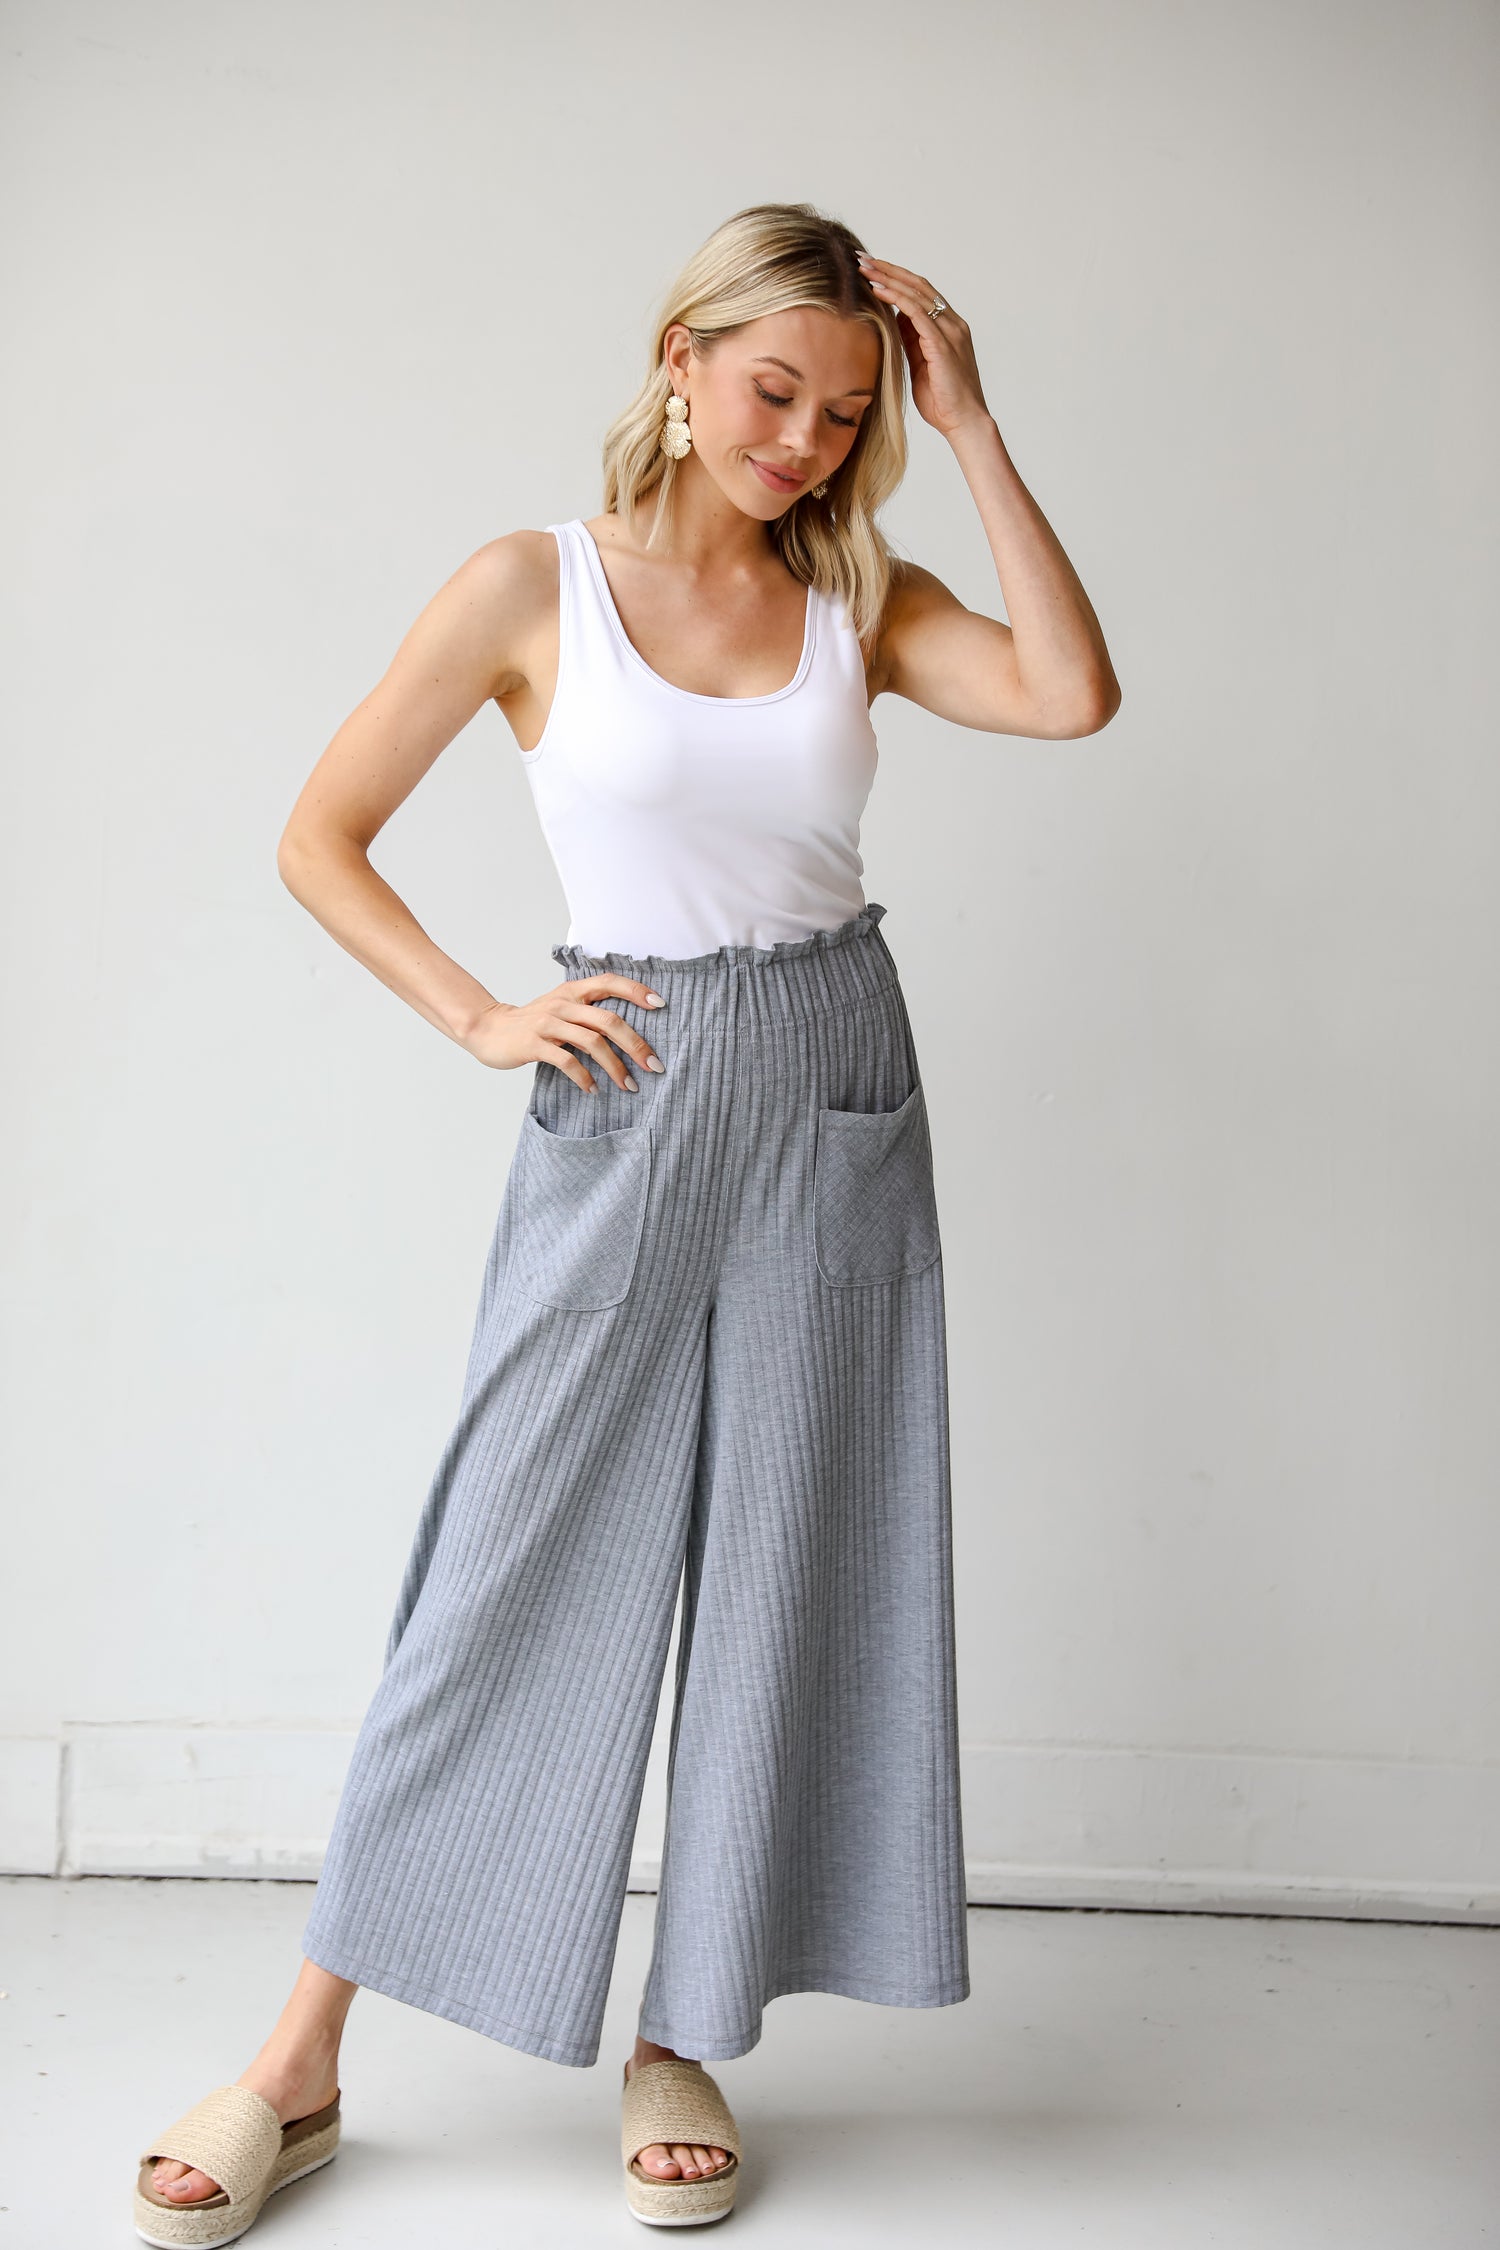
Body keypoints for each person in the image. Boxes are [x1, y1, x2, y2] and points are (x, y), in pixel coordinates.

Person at [132, 199, 1120, 2241]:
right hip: (630, 1080)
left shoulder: (862, 595)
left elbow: (1070, 694)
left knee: (787, 1568)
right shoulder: (534, 585)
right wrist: (484, 1012)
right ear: (680, 361)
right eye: (773, 391)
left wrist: (973, 424)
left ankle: (686, 2029)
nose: (804, 442)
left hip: (835, 1080)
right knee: (502, 1565)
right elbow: (321, 834)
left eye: (845, 414)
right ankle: (299, 2061)